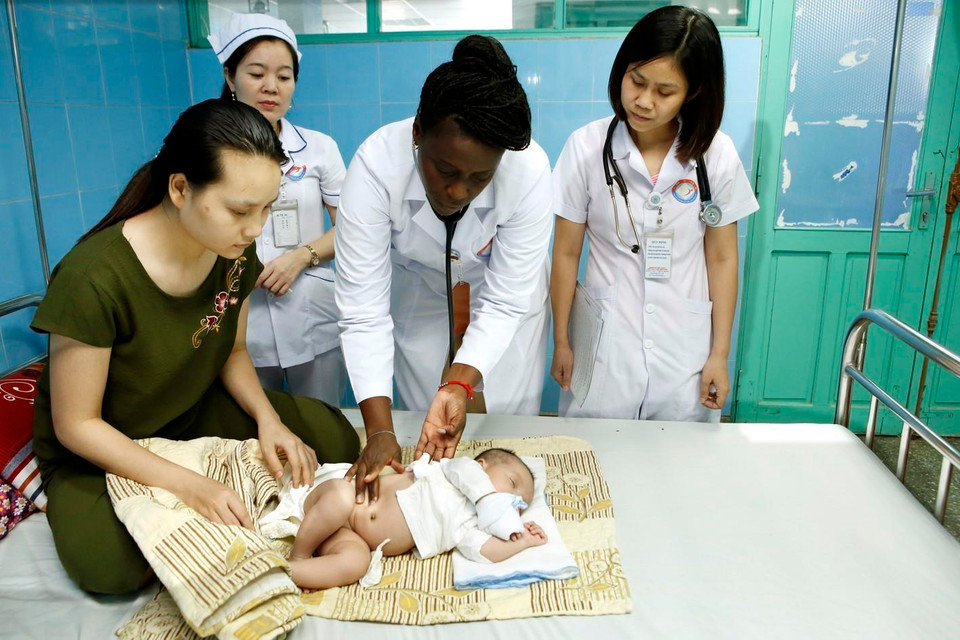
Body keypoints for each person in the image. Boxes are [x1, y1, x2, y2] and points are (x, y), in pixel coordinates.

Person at [29, 100, 360, 595]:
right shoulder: (92, 278)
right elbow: (77, 425)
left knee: (333, 440)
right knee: (109, 569)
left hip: (189, 414)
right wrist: (190, 485)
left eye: (267, 208)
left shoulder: (231, 250)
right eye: (240, 210)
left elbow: (231, 352)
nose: (255, 229)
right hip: (101, 447)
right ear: (180, 188)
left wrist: (270, 421)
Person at [334, 35, 553, 498]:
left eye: (480, 177)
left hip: (503, 301)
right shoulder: (376, 166)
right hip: (423, 291)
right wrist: (377, 430)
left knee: (504, 426)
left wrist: (459, 382)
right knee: (422, 428)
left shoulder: (527, 169)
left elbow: (507, 298)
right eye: (445, 170)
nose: (458, 191)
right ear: (418, 132)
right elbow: (363, 309)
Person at [550, 6, 759, 423]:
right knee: (593, 466)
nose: (644, 101)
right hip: (606, 341)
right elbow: (566, 253)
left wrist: (720, 353)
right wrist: (561, 339)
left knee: (681, 469)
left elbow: (721, 258)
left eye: (665, 92)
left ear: (694, 92)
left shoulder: (715, 155)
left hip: (685, 349)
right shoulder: (585, 148)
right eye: (636, 81)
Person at [208, 14, 347, 405]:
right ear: (231, 77)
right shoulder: (205, 149)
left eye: (284, 77)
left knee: (324, 428)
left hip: (310, 314)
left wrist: (300, 258)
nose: (271, 87)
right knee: (252, 440)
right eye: (256, 73)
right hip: (238, 319)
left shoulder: (320, 149)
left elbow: (353, 228)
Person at [284, 448, 546, 590]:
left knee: (357, 563)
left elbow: (482, 550)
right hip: (343, 498)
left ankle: (287, 572)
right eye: (512, 483)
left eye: (519, 503)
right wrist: (487, 499)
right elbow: (465, 472)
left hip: (352, 537)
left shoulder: (471, 524)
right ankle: (300, 554)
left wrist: (521, 540)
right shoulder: (457, 471)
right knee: (340, 499)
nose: (513, 498)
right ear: (482, 465)